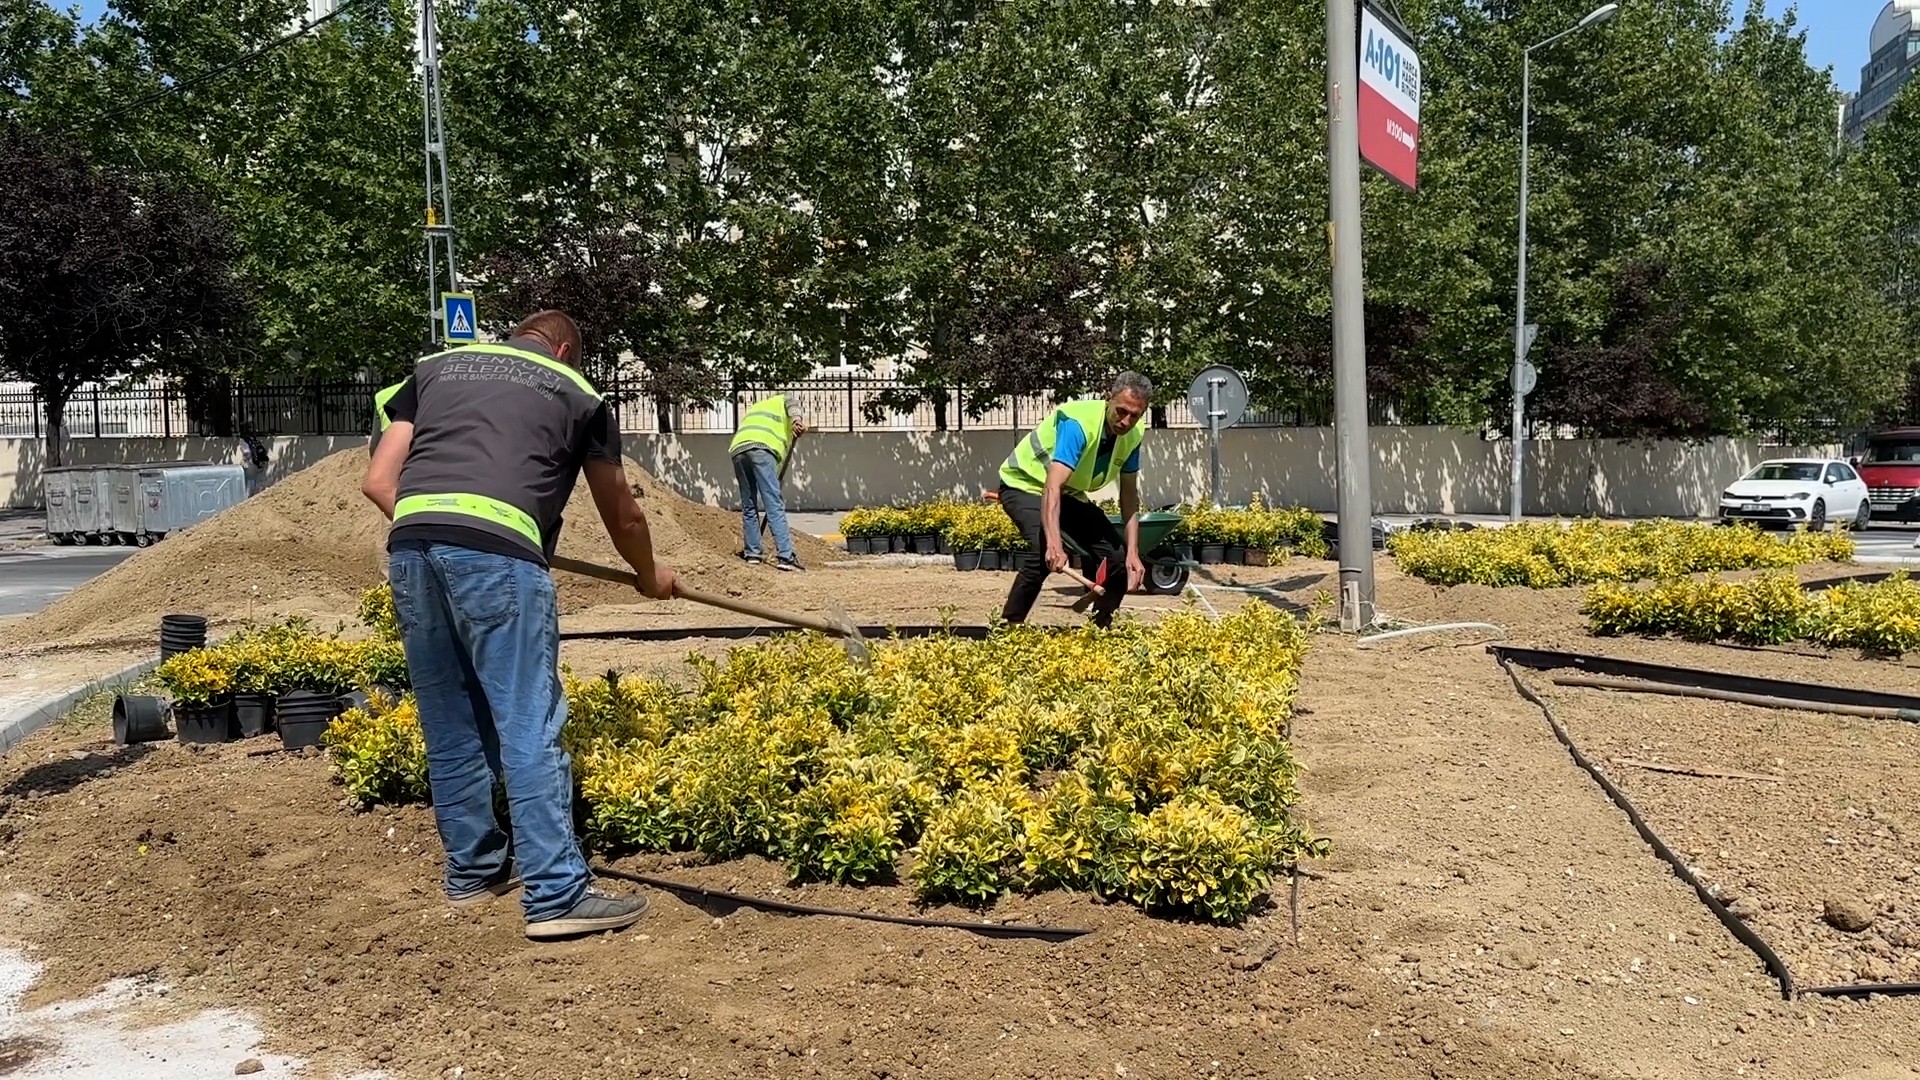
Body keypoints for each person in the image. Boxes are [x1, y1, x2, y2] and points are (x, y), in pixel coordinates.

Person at [361, 310, 676, 941]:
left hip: (412, 545)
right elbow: (623, 511)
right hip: (496, 560)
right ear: (564, 347)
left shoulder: (434, 369)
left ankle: (473, 871)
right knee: (528, 720)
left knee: (450, 719)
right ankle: (557, 894)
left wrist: (453, 524)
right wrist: (648, 573)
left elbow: (378, 480)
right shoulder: (575, 390)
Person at [995, 372, 1153, 629]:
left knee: (1116, 558)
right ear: (1108, 399)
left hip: (1068, 493)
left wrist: (1133, 553)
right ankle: (1011, 626)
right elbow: (1052, 486)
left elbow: (1128, 494)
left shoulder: (1134, 436)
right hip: (1024, 484)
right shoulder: (1078, 423)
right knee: (1042, 549)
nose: (1125, 421)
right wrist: (1055, 545)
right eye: (1121, 411)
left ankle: (1101, 626)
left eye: (1134, 415)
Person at [728, 392, 808, 571]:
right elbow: (793, 407)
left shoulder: (757, 407)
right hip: (763, 448)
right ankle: (786, 557)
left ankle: (753, 554)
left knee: (749, 505)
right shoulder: (786, 398)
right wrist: (797, 421)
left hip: (738, 449)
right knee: (773, 503)